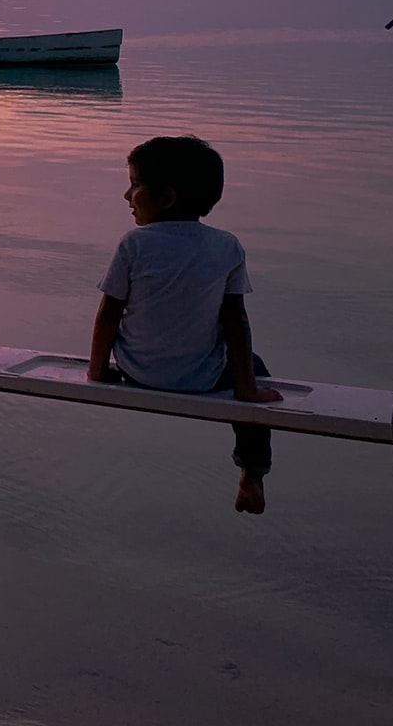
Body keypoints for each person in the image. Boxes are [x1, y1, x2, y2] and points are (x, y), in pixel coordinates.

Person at [86, 135, 283, 515]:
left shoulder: (134, 245)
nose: (127, 196)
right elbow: (235, 320)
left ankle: (251, 469)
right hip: (201, 377)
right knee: (258, 368)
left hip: (136, 372)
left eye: (135, 185)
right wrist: (246, 387)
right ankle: (252, 474)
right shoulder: (227, 247)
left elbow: (109, 313)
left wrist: (98, 370)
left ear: (168, 197)